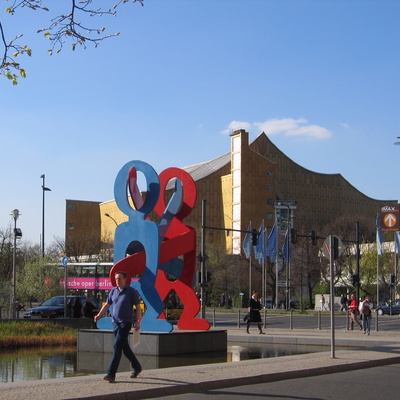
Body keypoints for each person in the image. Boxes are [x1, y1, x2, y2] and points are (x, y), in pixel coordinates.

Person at [94, 271, 142, 383]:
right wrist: (99, 315)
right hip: (115, 323)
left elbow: (138, 307)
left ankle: (111, 374)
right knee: (124, 348)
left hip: (125, 323)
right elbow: (107, 304)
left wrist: (137, 321)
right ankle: (137, 367)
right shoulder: (113, 291)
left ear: (125, 279)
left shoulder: (131, 291)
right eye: (116, 278)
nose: (117, 280)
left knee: (117, 345)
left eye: (120, 278)